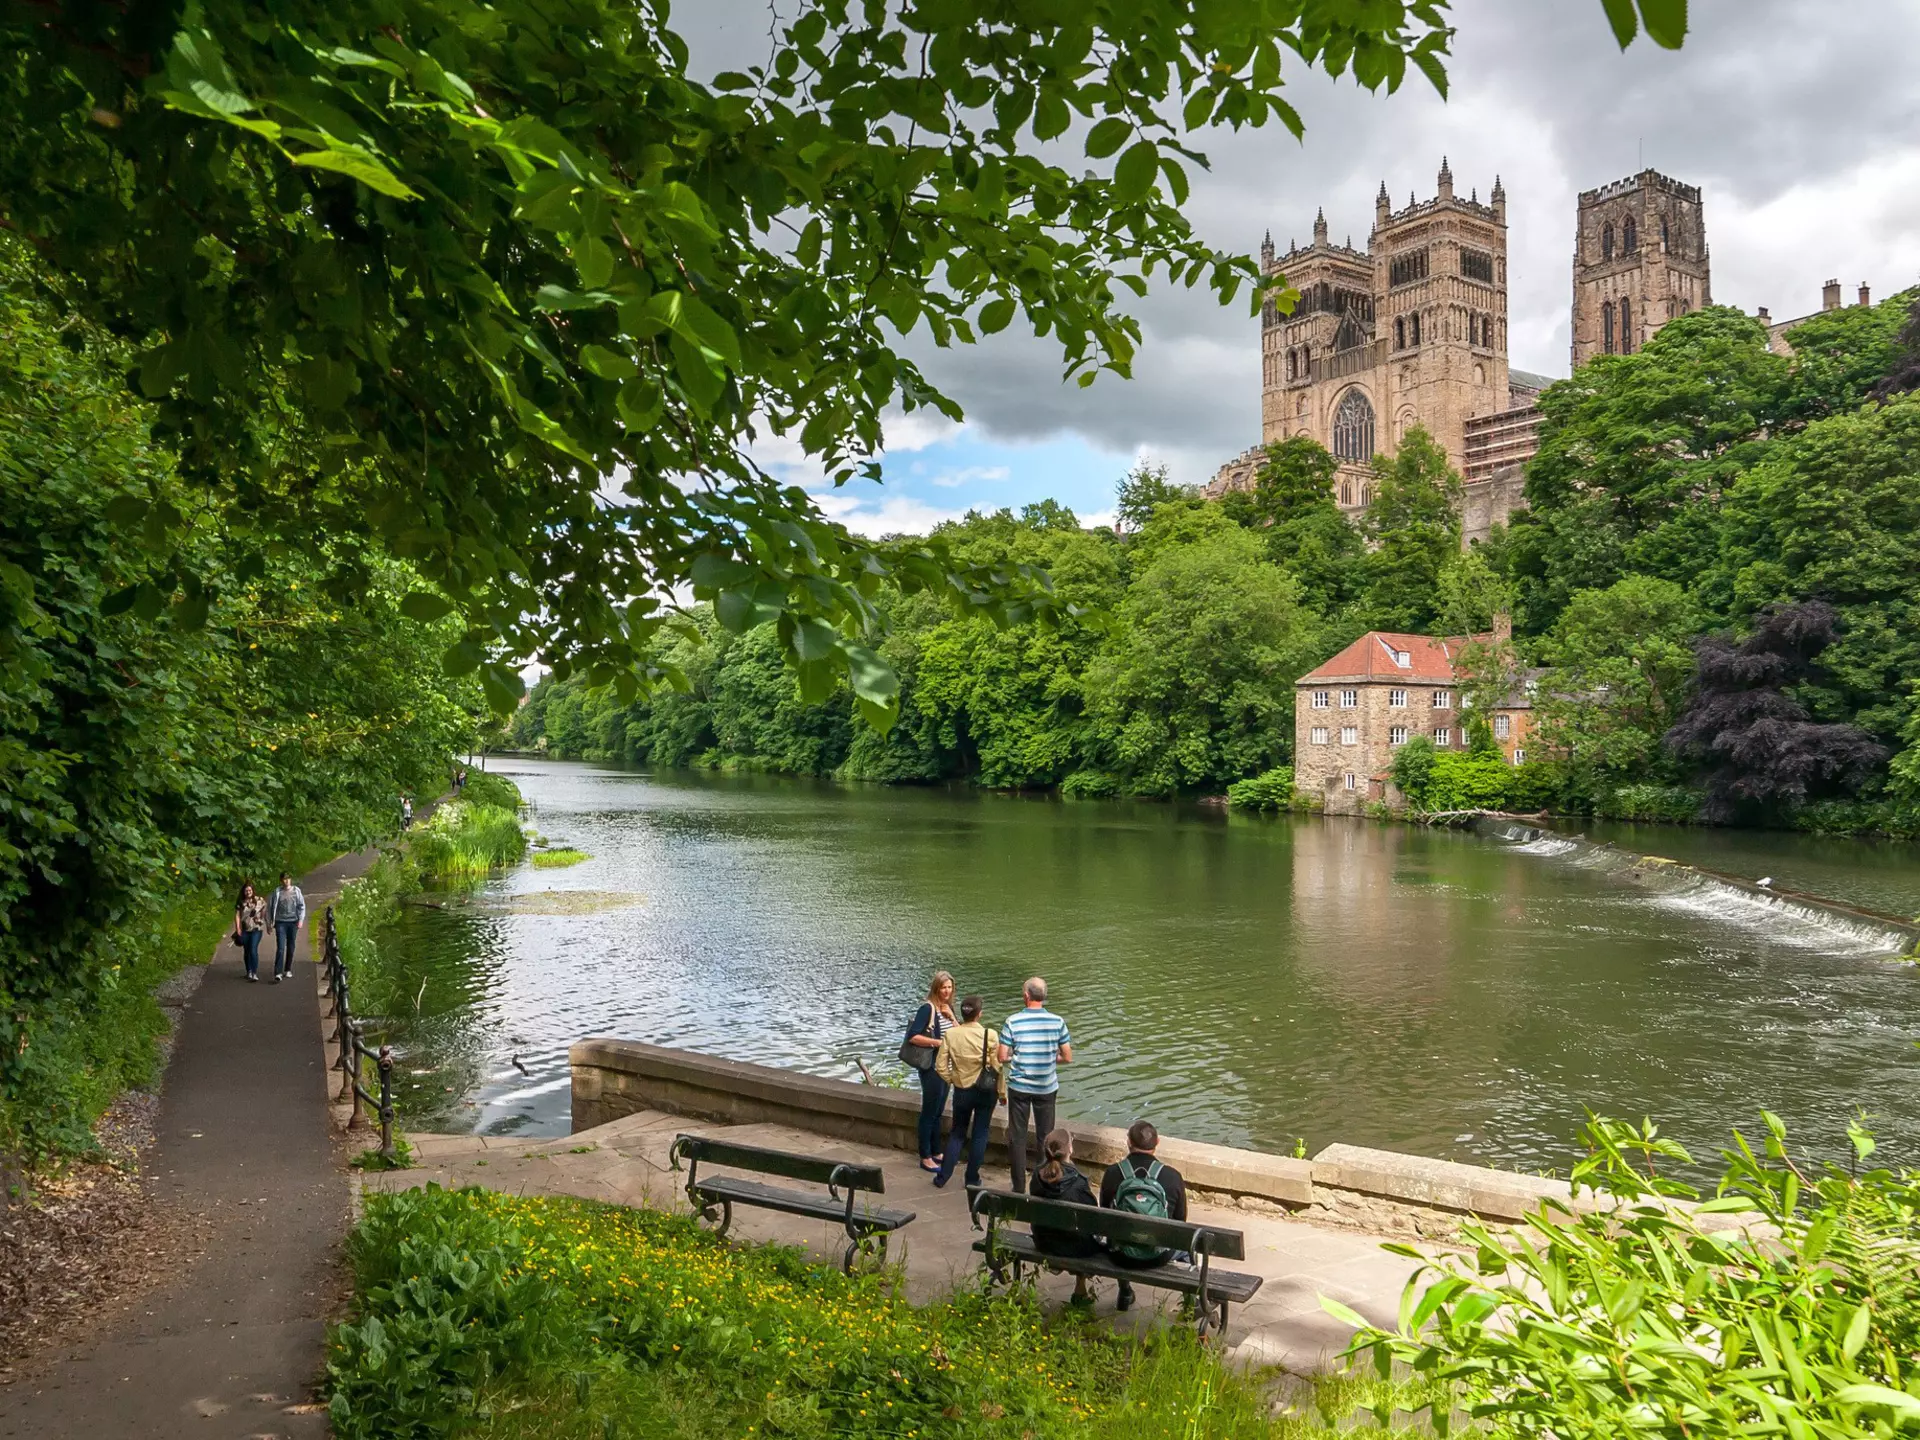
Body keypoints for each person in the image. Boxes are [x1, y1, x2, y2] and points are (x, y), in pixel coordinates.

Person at [1099, 1119, 1189, 1311]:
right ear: (1157, 1143)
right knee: (1189, 1247)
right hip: (1159, 1255)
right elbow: (1181, 1222)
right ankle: (1190, 1303)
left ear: (1128, 1142)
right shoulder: (1172, 1176)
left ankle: (1125, 1291)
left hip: (1121, 1255)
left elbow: (1105, 1217)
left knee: (1117, 1234)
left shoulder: (1112, 1173)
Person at [997, 976, 1071, 1193]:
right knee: (1046, 1138)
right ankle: (1042, 1184)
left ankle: (1018, 1187)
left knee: (1017, 1137)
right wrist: (1049, 1057)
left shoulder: (1012, 1021)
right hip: (1046, 1087)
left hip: (1019, 1087)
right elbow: (1067, 1056)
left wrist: (1018, 1055)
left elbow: (1002, 1056)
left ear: (1026, 996)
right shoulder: (1058, 1022)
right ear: (1044, 996)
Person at [932, 995, 1006, 1189]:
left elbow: (940, 1066)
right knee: (981, 1132)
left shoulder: (951, 1034)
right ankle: (972, 1178)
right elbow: (997, 1067)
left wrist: (953, 1079)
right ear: (979, 1014)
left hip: (962, 1089)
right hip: (986, 1090)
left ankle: (943, 1177)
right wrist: (1002, 1092)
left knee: (957, 1132)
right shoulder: (990, 1034)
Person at [1029, 1128, 1098, 1305]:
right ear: (1070, 1150)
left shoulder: (1037, 1176)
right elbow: (1092, 1218)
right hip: (1075, 1247)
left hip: (1044, 1242)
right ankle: (1080, 1289)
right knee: (1083, 1232)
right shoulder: (1079, 1182)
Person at [902, 970, 957, 1172]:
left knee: (938, 1111)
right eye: (943, 988)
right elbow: (913, 1036)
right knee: (929, 1111)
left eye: (949, 987)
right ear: (936, 988)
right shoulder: (927, 1009)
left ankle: (936, 1151)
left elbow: (959, 1034)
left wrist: (952, 1017)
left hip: (946, 1068)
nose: (947, 991)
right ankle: (925, 1156)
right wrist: (938, 1043)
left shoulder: (948, 1008)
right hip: (932, 1067)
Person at [267, 871, 307, 984]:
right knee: (280, 947)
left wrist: (300, 920)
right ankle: (278, 972)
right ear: (281, 881)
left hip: (293, 922)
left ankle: (287, 968)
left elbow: (301, 906)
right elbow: (270, 908)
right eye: (284, 879)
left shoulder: (296, 891)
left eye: (288, 879)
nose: (287, 881)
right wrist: (269, 924)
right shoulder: (277, 892)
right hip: (280, 922)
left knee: (291, 946)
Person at [233, 881, 268, 982]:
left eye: (250, 890)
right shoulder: (241, 902)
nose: (248, 892)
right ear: (243, 892)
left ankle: (254, 973)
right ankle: (248, 971)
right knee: (247, 950)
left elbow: (264, 908)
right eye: (246, 890)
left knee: (253, 949)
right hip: (245, 929)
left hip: (256, 929)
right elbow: (237, 916)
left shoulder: (259, 900)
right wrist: (238, 928)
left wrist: (261, 918)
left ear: (253, 891)